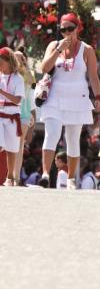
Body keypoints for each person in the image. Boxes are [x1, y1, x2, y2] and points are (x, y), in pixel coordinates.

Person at [39, 13, 100, 189]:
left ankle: (71, 178)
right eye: (63, 29)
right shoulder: (54, 45)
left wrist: (97, 98)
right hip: (54, 97)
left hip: (77, 98)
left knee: (72, 139)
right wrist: (59, 49)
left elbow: (93, 77)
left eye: (70, 29)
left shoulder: (87, 49)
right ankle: (45, 174)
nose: (66, 32)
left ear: (77, 28)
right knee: (51, 134)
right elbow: (44, 68)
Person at [10, 50, 35, 187]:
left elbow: (32, 81)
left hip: (23, 114)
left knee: (19, 147)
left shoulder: (25, 74)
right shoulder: (8, 74)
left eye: (21, 57)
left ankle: (16, 177)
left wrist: (25, 65)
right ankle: (9, 175)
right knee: (8, 145)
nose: (18, 59)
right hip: (9, 113)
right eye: (16, 57)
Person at [0, 48, 25, 187]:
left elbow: (17, 100)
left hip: (12, 116)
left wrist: (1, 91)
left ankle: (10, 177)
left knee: (11, 149)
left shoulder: (18, 79)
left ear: (9, 62)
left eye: (1, 62)